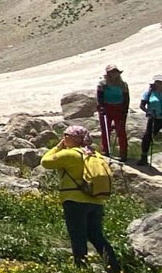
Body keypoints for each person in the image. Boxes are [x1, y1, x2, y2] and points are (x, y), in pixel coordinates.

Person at [41, 125, 121, 272]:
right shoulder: (94, 154)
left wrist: (58, 147)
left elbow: (45, 161)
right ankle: (114, 267)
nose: (63, 138)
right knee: (96, 236)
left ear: (73, 139)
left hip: (74, 200)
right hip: (96, 200)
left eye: (66, 136)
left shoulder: (71, 154)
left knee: (77, 236)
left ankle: (81, 267)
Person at [96, 64, 129, 160]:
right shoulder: (102, 84)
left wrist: (125, 110)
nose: (114, 74)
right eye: (111, 72)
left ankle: (123, 152)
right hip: (106, 107)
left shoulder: (123, 84)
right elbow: (99, 97)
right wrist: (101, 107)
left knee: (121, 130)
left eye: (115, 72)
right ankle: (106, 150)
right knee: (106, 130)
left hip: (119, 108)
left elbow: (126, 98)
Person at [139, 75, 162, 166]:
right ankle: (143, 157)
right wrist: (148, 111)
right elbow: (142, 105)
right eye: (158, 82)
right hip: (154, 118)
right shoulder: (148, 92)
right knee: (148, 136)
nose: (160, 84)